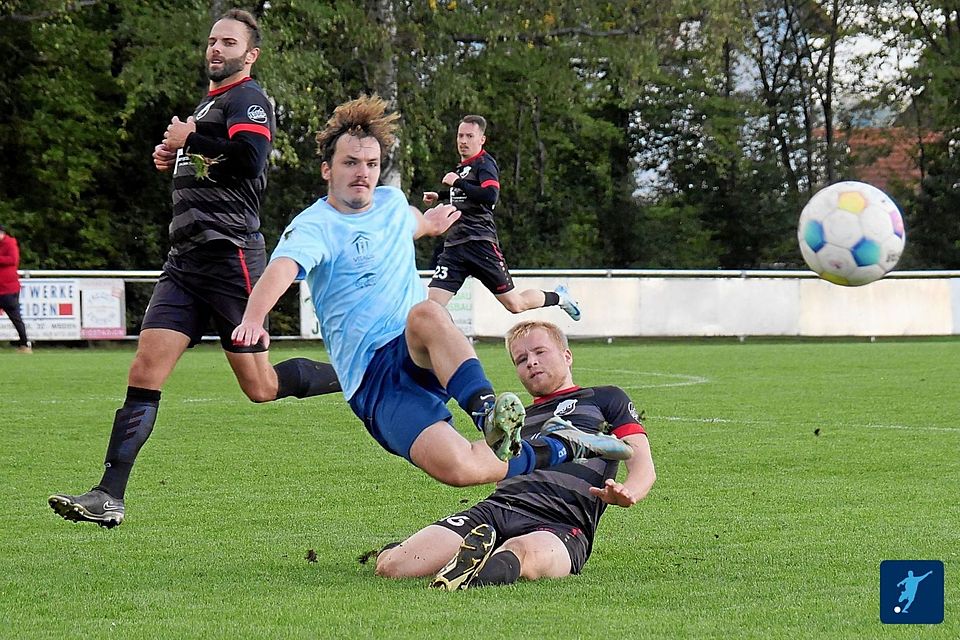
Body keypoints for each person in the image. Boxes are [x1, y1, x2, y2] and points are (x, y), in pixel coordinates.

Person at [231, 95, 631, 491]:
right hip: (373, 381)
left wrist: (432, 222)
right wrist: (253, 318)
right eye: (350, 163)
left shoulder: (388, 202)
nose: (362, 173)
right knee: (461, 468)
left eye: (371, 164)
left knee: (425, 313)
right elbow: (281, 269)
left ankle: (487, 411)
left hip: (412, 344)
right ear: (327, 169)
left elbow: (411, 223)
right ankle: (563, 445)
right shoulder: (314, 226)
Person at [48, 9, 340, 529]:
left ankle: (354, 373)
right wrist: (175, 157)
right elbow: (218, 162)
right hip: (184, 264)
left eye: (227, 42)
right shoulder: (209, 105)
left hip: (231, 259)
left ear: (249, 54)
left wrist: (190, 142)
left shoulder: (248, 99)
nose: (215, 48)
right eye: (211, 40)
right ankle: (108, 495)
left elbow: (250, 158)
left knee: (260, 386)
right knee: (144, 369)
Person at [375, 320, 656, 590]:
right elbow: (480, 463)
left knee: (521, 555)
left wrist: (628, 491)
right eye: (521, 359)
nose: (531, 362)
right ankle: (459, 554)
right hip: (497, 510)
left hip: (561, 523)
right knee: (393, 566)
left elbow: (641, 461)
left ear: (567, 355)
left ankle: (476, 568)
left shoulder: (604, 398)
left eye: (540, 352)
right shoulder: (512, 418)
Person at [422, 115, 582, 321]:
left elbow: (490, 195)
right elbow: (467, 196)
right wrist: (440, 196)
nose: (463, 141)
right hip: (454, 247)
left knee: (516, 304)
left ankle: (560, 297)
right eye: (460, 135)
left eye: (469, 136)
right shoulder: (462, 168)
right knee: (431, 308)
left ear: (482, 139)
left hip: (480, 244)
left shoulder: (485, 164)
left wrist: (457, 183)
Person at [0, 224, 31, 353]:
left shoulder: (10, 244)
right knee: (16, 317)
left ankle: (25, 344)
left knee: (15, 317)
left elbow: (13, 260)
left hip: (8, 288)